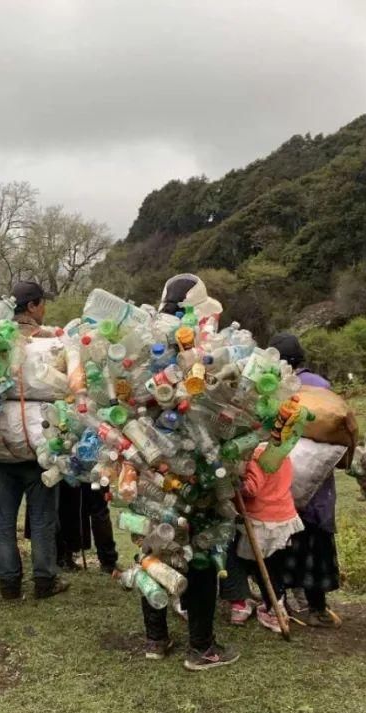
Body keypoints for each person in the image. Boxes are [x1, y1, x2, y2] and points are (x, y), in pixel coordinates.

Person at [140, 274, 238, 671]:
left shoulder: (146, 343)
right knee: (199, 553)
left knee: (155, 547)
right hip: (197, 471)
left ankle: (156, 638)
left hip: (149, 469)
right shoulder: (203, 348)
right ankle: (201, 647)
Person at [0, 280, 68, 600]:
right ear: (32, 306)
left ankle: (9, 584)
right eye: (42, 303)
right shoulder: (49, 342)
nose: (44, 309)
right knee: (43, 518)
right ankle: (45, 581)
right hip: (40, 446)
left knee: (4, 521)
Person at [268, 333, 342, 628]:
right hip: (318, 483)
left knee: (284, 539)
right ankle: (317, 608)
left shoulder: (275, 386)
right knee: (317, 541)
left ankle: (279, 603)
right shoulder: (322, 385)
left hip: (282, 478)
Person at [235, 445, 304, 634]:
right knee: (276, 566)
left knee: (264, 568)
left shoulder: (257, 456)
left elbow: (252, 488)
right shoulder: (282, 452)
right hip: (284, 515)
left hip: (264, 520)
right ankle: (276, 603)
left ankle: (275, 611)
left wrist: (235, 483)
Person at [56, 482, 117, 573]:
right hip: (95, 475)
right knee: (99, 512)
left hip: (77, 474)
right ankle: (108, 561)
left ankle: (65, 556)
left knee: (69, 507)